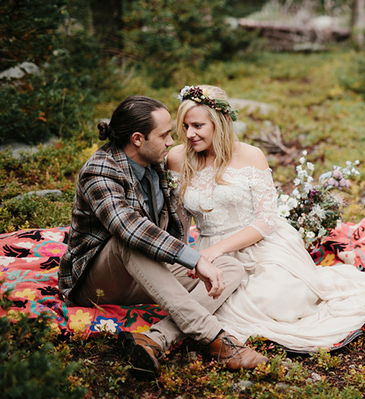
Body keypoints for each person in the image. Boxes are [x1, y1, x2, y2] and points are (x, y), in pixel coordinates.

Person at [167, 85, 365, 351]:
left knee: (278, 299)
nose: (189, 134)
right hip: (207, 246)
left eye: (197, 125)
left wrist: (219, 249)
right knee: (221, 303)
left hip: (259, 241)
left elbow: (266, 220)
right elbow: (179, 217)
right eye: (184, 126)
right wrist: (186, 253)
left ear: (221, 121)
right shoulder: (177, 158)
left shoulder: (251, 156)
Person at [58, 95, 268, 377]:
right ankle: (218, 341)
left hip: (144, 274)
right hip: (95, 282)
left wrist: (192, 262)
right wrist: (192, 259)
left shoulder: (154, 164)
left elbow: (172, 224)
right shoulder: (100, 171)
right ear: (137, 139)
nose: (172, 142)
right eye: (165, 134)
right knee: (128, 241)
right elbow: (129, 227)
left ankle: (154, 340)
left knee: (229, 266)